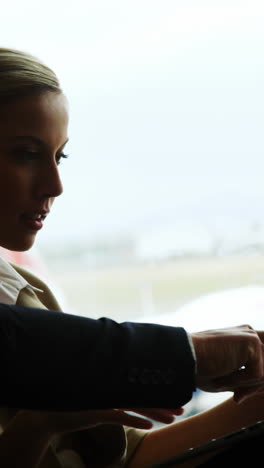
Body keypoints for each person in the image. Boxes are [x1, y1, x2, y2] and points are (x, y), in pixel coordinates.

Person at [1, 47, 264, 468]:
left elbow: (127, 458)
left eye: (59, 155)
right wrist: (37, 426)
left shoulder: (29, 293)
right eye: (26, 154)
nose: (55, 184)